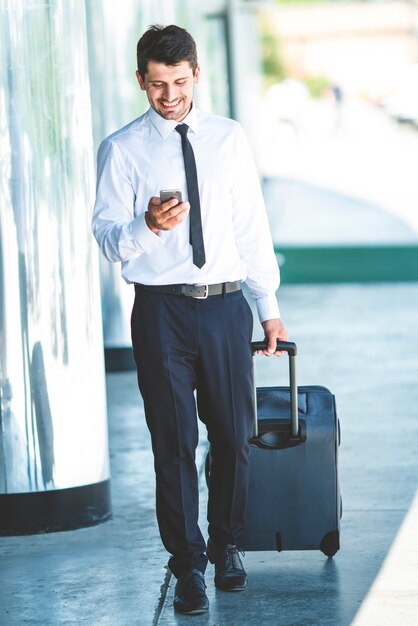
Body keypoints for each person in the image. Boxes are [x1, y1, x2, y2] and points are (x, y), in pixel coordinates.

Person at [92, 24, 288, 616]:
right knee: (173, 445)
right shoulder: (122, 149)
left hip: (226, 307)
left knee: (234, 436)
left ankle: (228, 545)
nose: (169, 95)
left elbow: (251, 228)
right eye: (157, 85)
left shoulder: (229, 139)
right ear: (140, 81)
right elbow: (106, 240)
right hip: (160, 312)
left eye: (179, 82)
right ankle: (188, 567)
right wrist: (146, 228)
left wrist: (268, 308)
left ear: (196, 75)